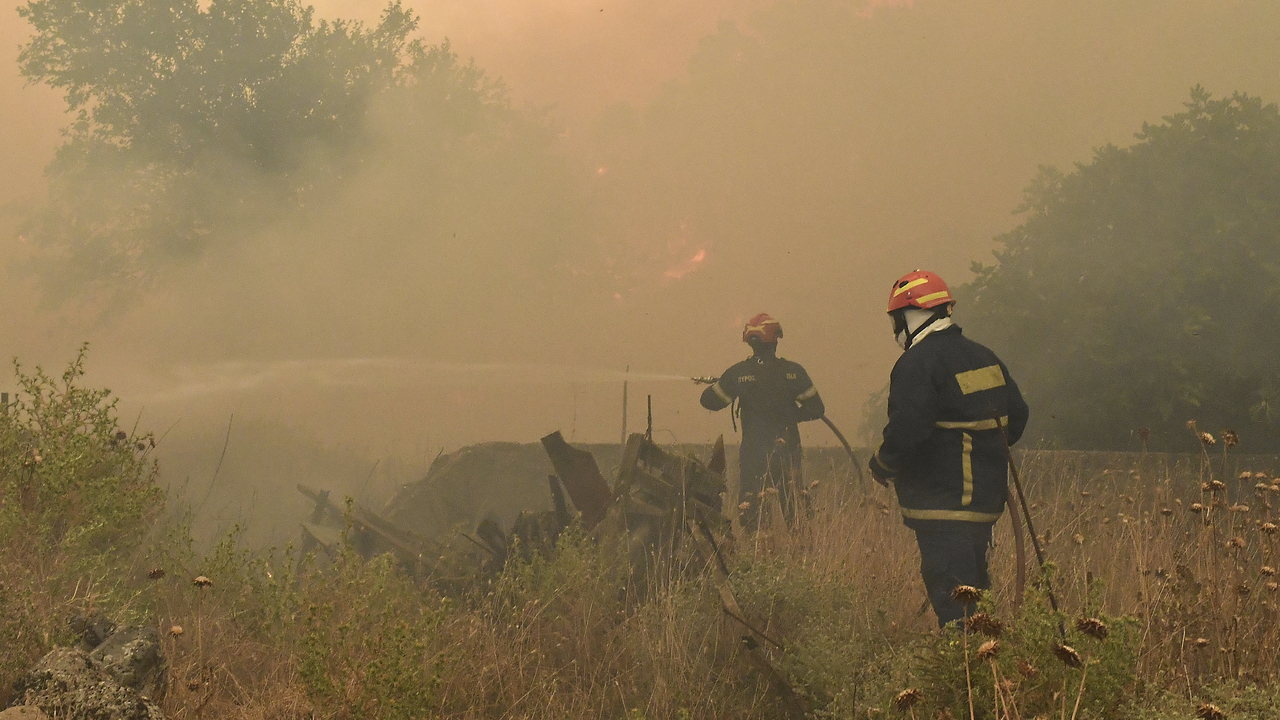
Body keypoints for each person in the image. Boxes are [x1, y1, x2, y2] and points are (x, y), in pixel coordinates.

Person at [868, 270, 1029, 627]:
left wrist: (883, 464)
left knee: (955, 607)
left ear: (911, 315)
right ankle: (984, 673)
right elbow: (1016, 417)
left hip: (942, 505)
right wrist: (982, 450)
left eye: (897, 319)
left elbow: (908, 427)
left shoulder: (917, 362)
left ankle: (963, 673)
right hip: (984, 505)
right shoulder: (983, 356)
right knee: (975, 602)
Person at [701, 313, 825, 527]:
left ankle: (757, 554)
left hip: (754, 454)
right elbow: (816, 408)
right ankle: (804, 554)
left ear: (750, 341)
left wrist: (723, 383)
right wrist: (790, 414)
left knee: (752, 516)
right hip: (788, 452)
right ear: (776, 339)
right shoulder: (793, 372)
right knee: (796, 514)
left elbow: (709, 401)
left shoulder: (739, 373)